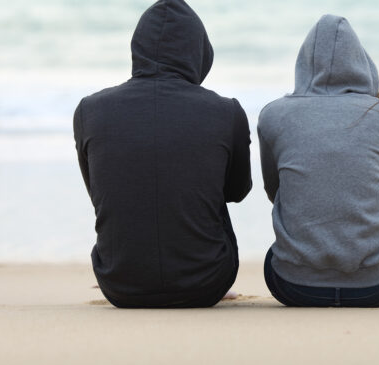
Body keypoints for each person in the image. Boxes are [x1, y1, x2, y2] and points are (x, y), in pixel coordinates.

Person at [72, 0, 251, 308]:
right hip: (207, 283)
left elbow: (99, 191)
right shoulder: (226, 111)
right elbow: (237, 191)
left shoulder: (90, 110)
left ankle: (135, 267)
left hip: (118, 284)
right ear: (200, 52)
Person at [257, 14, 379, 307]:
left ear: (303, 64)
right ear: (362, 63)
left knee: (277, 254)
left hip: (294, 287)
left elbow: (277, 193)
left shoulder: (273, 115)